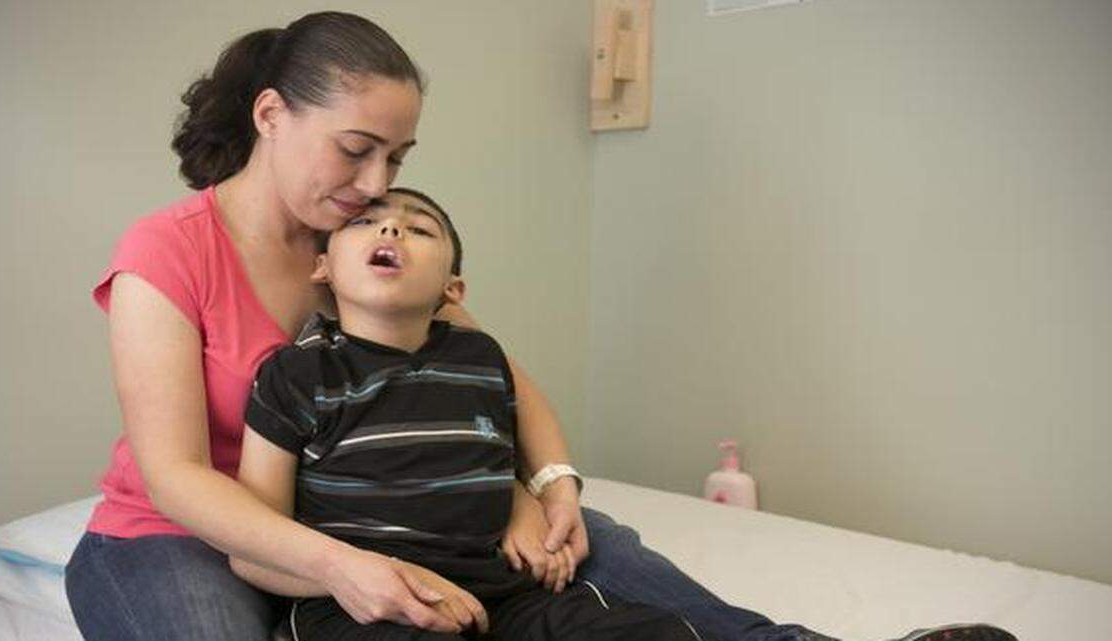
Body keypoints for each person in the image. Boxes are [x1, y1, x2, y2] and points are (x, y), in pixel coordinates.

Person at [63, 11, 1014, 641]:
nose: (380, 186)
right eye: (358, 150)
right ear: (271, 115)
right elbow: (178, 476)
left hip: (366, 511)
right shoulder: (167, 250)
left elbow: (489, 375)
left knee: (595, 545)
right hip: (178, 532)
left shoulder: (357, 247)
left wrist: (538, 490)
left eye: (398, 157)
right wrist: (347, 564)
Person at [232, 187, 696, 641]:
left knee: (663, 631)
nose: (392, 227)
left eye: (419, 229)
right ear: (323, 267)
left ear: (451, 288)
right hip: (361, 605)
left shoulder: (481, 359)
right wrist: (371, 576)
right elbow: (254, 551)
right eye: (365, 222)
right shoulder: (296, 372)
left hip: (501, 593)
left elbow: (498, 461)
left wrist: (529, 504)